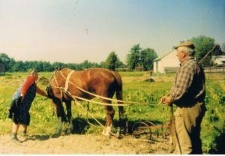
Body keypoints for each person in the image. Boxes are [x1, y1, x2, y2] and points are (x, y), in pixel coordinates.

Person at [161, 41, 206, 154]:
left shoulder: (187, 66)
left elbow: (181, 90)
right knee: (194, 141)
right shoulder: (195, 64)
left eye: (177, 52)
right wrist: (169, 96)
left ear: (183, 54)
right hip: (195, 108)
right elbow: (185, 88)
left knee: (184, 144)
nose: (176, 55)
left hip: (187, 109)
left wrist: (170, 99)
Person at [8, 69, 48, 142]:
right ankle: (13, 136)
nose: (38, 76)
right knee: (18, 117)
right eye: (37, 74)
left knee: (25, 116)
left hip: (24, 104)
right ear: (34, 74)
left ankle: (24, 132)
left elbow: (39, 91)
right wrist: (21, 97)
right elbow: (24, 87)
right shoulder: (30, 78)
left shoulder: (33, 83)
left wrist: (47, 95)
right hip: (20, 101)